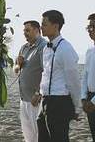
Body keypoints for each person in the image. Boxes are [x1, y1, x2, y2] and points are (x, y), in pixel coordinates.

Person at [35, 10, 80, 142]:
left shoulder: (65, 48)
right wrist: (39, 93)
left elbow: (73, 80)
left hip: (59, 101)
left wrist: (77, 106)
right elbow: (46, 74)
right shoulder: (45, 48)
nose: (41, 27)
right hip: (45, 100)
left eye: (44, 24)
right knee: (42, 136)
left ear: (55, 26)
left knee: (58, 138)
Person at [14, 21, 46, 142]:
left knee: (38, 134)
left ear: (37, 30)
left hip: (36, 99)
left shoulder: (43, 47)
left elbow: (47, 72)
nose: (25, 33)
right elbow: (16, 70)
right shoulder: (24, 47)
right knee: (28, 135)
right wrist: (18, 64)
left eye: (28, 30)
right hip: (24, 99)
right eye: (24, 31)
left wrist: (38, 93)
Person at [81, 13, 95, 141]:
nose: (90, 30)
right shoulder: (90, 51)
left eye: (93, 27)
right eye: (89, 27)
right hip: (90, 99)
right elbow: (85, 76)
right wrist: (84, 98)